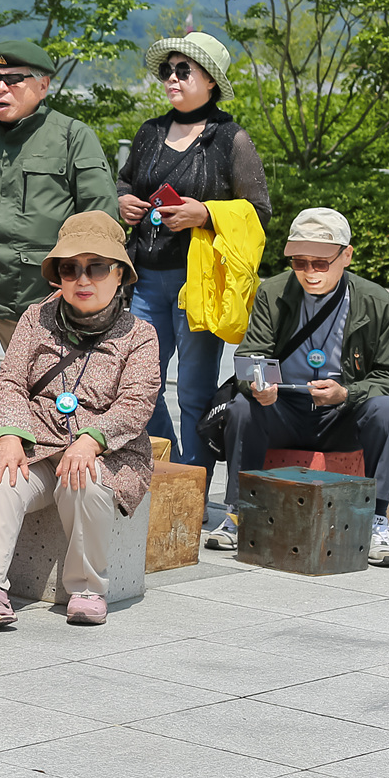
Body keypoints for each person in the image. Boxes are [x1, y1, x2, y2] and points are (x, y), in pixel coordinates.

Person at [0, 212, 161, 626]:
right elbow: (10, 382)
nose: (82, 279)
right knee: (1, 478)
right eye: (69, 269)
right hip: (38, 443)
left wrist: (91, 440)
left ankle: (87, 588)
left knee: (85, 480)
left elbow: (136, 403)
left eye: (96, 267)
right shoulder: (35, 318)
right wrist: (9, 437)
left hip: (109, 453)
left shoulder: (140, 335)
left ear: (119, 274)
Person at [209, 208, 389, 567]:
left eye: (321, 263)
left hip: (342, 413)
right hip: (284, 407)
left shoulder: (377, 302)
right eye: (299, 263)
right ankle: (238, 511)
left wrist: (346, 393)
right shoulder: (273, 292)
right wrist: (260, 385)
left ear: (346, 256)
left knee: (388, 412)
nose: (310, 272)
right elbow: (251, 355)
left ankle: (377, 520)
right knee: (242, 406)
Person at [115, 32, 271, 477]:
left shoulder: (231, 139)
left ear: (211, 81)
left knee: (195, 391)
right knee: (138, 384)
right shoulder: (149, 132)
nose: (172, 78)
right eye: (168, 70)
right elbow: (126, 182)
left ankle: (192, 487)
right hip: (145, 277)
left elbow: (259, 212)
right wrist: (123, 201)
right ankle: (167, 471)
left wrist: (205, 213)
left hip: (199, 280)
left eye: (183, 71)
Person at [0, 39, 119, 346]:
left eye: (13, 80)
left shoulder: (73, 137)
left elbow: (100, 218)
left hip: (43, 294)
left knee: (38, 377)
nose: (0, 88)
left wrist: (77, 279)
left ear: (43, 86)